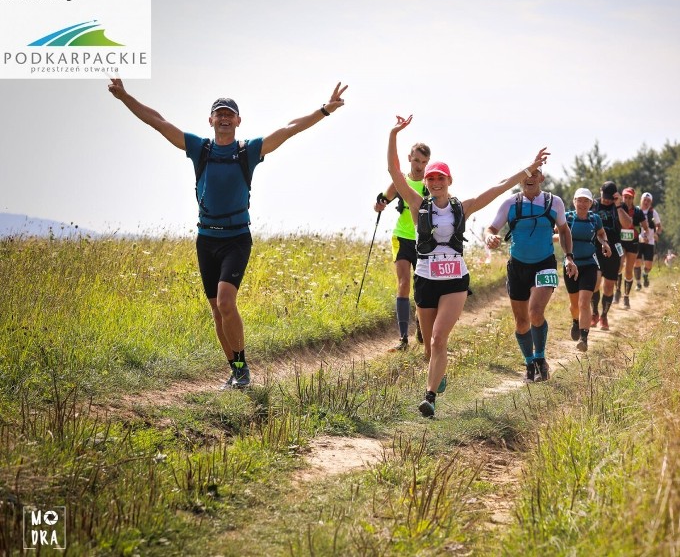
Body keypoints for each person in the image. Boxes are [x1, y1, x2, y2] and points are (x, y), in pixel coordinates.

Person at [107, 78, 348, 389]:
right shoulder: (200, 148)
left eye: (229, 114)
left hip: (236, 238)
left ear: (238, 120)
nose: (223, 118)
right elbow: (157, 121)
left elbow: (290, 129)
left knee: (224, 302)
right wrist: (126, 96)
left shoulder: (248, 151)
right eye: (218, 114)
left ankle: (242, 370)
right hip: (206, 239)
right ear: (211, 120)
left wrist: (325, 110)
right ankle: (237, 371)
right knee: (217, 311)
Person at [387, 114, 549, 418]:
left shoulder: (464, 206)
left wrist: (528, 168)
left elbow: (501, 186)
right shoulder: (416, 204)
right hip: (425, 279)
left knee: (438, 339)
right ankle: (439, 375)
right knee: (428, 349)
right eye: (431, 178)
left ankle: (430, 397)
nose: (435, 182)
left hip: (454, 281)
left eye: (440, 178)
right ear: (425, 183)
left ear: (449, 181)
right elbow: (394, 171)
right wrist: (394, 134)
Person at [485, 169, 576, 383]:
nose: (530, 177)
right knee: (521, 322)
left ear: (542, 178)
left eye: (535, 173)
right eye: (525, 174)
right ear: (519, 178)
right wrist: (490, 238)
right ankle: (528, 362)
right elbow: (491, 228)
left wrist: (569, 257)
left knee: (535, 313)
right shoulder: (509, 204)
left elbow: (563, 231)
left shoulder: (555, 203)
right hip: (517, 266)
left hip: (544, 263)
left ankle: (540, 359)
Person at [374, 142, 431, 351]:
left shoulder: (430, 184)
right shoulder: (402, 181)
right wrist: (379, 205)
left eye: (424, 162)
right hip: (401, 237)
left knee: (421, 287)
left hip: (423, 241)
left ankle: (421, 321)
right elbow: (383, 199)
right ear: (409, 158)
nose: (419, 165)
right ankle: (403, 338)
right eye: (416, 160)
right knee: (403, 283)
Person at [563, 188, 609, 351]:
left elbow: (602, 234)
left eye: (586, 201)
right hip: (571, 265)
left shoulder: (595, 219)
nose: (582, 204)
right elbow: (558, 234)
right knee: (574, 305)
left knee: (584, 302)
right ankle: (575, 321)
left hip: (589, 264)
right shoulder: (567, 217)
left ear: (591, 203)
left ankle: (584, 338)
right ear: (574, 201)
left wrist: (605, 243)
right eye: (579, 200)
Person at [590, 181, 633, 330]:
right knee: (595, 282)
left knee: (608, 287)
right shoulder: (593, 205)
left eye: (610, 197)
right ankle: (594, 312)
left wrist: (619, 205)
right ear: (600, 192)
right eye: (604, 196)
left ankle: (604, 316)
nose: (606, 200)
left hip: (614, 249)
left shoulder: (620, 206)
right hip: (595, 248)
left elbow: (627, 224)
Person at [614, 187, 649, 309]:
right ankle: (617, 290)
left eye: (630, 197)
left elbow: (645, 227)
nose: (627, 200)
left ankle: (626, 296)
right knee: (619, 264)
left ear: (633, 198)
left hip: (633, 243)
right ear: (622, 197)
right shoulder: (618, 208)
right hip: (620, 242)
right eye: (625, 197)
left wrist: (644, 234)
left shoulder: (638, 212)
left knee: (629, 270)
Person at [637, 192, 663, 289]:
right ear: (641, 200)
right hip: (638, 240)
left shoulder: (653, 212)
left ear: (651, 203)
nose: (646, 202)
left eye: (648, 201)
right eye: (645, 200)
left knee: (648, 265)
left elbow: (659, 227)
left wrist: (657, 234)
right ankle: (638, 283)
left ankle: (645, 274)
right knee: (637, 262)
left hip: (650, 241)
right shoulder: (636, 210)